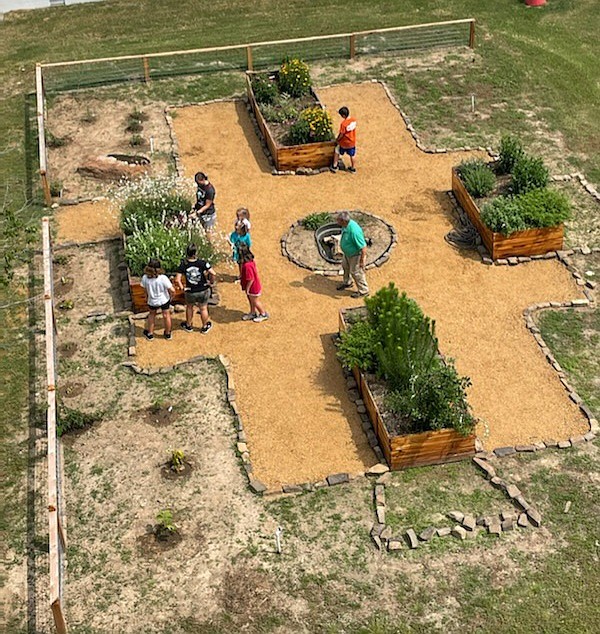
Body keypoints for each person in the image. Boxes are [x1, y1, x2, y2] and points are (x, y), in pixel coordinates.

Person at [175, 243, 216, 334]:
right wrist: (211, 282)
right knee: (203, 308)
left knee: (189, 307)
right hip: (203, 289)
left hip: (190, 291)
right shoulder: (202, 263)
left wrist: (183, 288)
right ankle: (205, 326)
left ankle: (189, 325)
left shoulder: (183, 264)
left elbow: (177, 280)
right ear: (195, 253)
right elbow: (213, 273)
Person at [336, 211, 369, 298]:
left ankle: (363, 291)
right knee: (345, 266)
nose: (337, 222)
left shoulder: (354, 231)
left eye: (338, 220)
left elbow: (363, 248)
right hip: (347, 254)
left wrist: (361, 261)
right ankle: (347, 282)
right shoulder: (345, 226)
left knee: (356, 272)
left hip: (355, 255)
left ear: (344, 221)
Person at [140, 258, 174, 340]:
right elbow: (172, 290)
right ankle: (167, 333)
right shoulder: (163, 278)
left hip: (152, 301)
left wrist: (146, 297)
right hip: (164, 300)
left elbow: (145, 290)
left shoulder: (145, 278)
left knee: (151, 315)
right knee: (166, 315)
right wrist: (172, 297)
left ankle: (150, 333)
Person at [238, 244, 269, 323]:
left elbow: (250, 279)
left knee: (255, 301)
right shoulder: (250, 261)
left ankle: (263, 314)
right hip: (253, 287)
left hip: (253, 288)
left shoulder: (247, 266)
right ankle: (252, 312)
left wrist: (247, 289)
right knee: (251, 300)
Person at [330, 106, 357, 173]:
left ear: (343, 115)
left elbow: (341, 134)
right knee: (352, 155)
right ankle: (353, 168)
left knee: (337, 151)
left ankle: (334, 166)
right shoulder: (353, 120)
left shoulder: (343, 124)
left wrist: (337, 139)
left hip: (344, 143)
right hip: (352, 142)